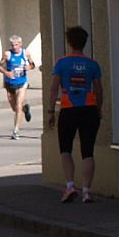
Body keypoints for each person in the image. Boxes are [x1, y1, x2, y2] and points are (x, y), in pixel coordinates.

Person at [47, 25, 105, 203]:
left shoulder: (62, 63)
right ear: (85, 42)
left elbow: (54, 88)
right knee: (87, 151)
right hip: (89, 109)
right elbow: (99, 90)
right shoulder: (92, 64)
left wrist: (51, 111)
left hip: (68, 109)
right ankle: (86, 191)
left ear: (69, 42)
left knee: (65, 149)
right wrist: (98, 109)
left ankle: (70, 186)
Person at [0, 34, 32, 140]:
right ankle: (25, 108)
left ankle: (16, 131)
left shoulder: (26, 53)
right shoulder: (7, 54)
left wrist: (29, 67)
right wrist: (6, 73)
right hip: (10, 83)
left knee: (18, 106)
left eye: (16, 45)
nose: (14, 47)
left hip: (22, 83)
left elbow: (32, 64)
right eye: (12, 45)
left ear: (20, 44)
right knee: (14, 108)